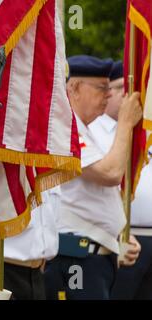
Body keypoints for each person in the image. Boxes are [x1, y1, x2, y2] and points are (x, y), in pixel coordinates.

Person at [44, 55, 142, 300]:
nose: (109, 95)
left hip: (94, 256)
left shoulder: (83, 128)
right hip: (77, 258)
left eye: (110, 88)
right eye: (101, 88)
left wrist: (118, 234)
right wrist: (126, 124)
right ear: (74, 88)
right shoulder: (65, 128)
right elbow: (110, 174)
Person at [89, 61, 152, 300]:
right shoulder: (93, 130)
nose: (129, 97)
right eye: (120, 89)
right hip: (123, 238)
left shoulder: (143, 130)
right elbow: (110, 175)